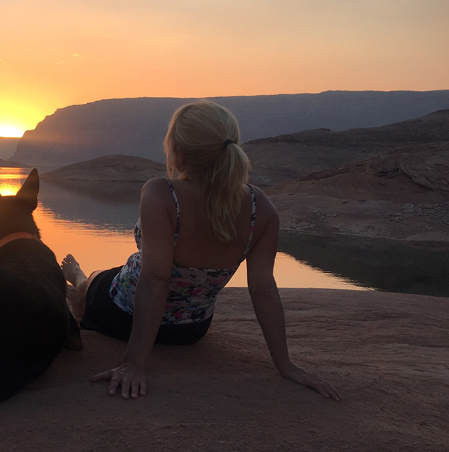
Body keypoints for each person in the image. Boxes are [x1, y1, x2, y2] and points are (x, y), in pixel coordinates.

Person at [61, 100, 341, 401]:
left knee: (94, 280)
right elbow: (263, 288)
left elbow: (156, 280)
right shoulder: (262, 208)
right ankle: (81, 278)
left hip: (122, 315)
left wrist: (135, 363)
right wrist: (285, 365)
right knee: (115, 273)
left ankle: (78, 280)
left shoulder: (162, 193)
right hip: (190, 329)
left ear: (179, 154)